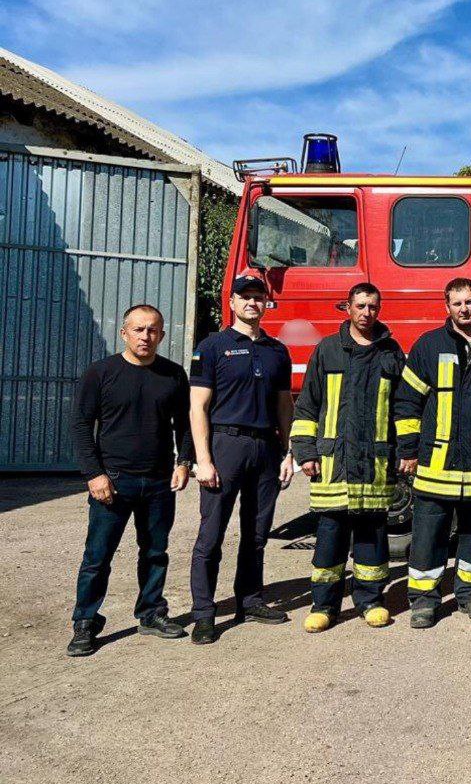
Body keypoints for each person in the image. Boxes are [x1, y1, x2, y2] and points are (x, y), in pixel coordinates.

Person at [66, 305, 194, 656]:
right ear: (124, 333)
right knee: (97, 556)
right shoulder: (101, 373)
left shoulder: (173, 375)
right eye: (138, 330)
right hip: (113, 482)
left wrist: (184, 461)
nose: (145, 336)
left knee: (155, 553)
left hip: (157, 483)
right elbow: (80, 426)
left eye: (152, 330)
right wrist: (94, 474)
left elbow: (184, 425)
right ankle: (85, 622)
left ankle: (151, 613)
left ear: (162, 335)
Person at [291, 283, 405, 632]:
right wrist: (305, 452)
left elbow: (402, 408)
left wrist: (406, 453)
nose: (366, 312)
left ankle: (371, 600)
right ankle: (324, 605)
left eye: (372, 306)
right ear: (348, 308)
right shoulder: (327, 350)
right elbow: (308, 405)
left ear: (379, 308)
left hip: (374, 463)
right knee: (330, 538)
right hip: (333, 463)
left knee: (372, 538)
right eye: (360, 306)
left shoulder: (390, 351)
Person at [188, 274, 295, 645]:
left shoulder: (277, 350)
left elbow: (285, 403)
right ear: (231, 302)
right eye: (244, 297)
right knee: (211, 535)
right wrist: (202, 459)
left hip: (266, 448)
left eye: (258, 297)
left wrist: (288, 452)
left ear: (266, 304)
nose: (252, 303)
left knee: (256, 534)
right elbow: (197, 406)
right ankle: (204, 613)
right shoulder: (212, 346)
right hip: (225, 445)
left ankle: (250, 600)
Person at [393, 278, 471, 629]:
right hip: (435, 463)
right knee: (428, 535)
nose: (464, 309)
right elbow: (407, 402)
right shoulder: (429, 346)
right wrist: (408, 449)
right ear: (447, 307)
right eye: (456, 303)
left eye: (469, 301)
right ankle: (424, 601)